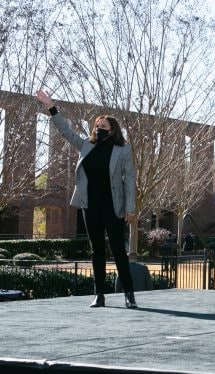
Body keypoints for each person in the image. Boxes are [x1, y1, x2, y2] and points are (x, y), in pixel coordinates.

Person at [35, 90, 139, 309]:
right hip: (89, 205)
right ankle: (99, 294)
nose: (98, 129)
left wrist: (130, 208)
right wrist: (51, 106)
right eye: (96, 126)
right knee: (96, 250)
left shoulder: (123, 150)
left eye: (102, 127)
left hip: (113, 205)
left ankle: (129, 294)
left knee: (119, 249)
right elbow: (65, 130)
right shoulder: (86, 145)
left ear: (112, 131)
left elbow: (129, 179)